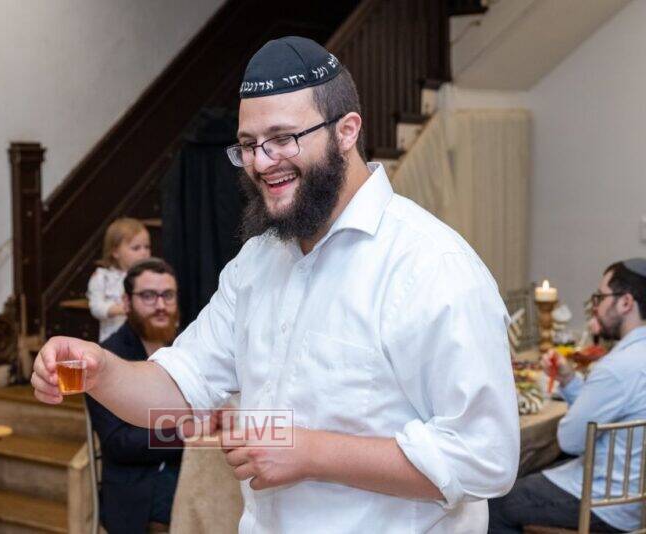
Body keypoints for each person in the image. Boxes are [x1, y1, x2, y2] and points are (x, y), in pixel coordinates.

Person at [32, 36, 519, 533]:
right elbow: (180, 387)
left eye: (283, 138)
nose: (262, 163)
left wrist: (310, 453)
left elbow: (485, 458)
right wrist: (101, 370)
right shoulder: (258, 262)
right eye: (248, 146)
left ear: (347, 131)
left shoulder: (430, 265)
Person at [489, 259, 646, 533]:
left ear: (625, 303)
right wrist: (570, 381)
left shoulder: (617, 368)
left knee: (493, 501)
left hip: (604, 505)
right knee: (535, 471)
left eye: (600, 297)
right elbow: (600, 413)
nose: (596, 306)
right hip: (636, 499)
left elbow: (569, 440)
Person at [85, 258, 184, 533]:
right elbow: (120, 442)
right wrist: (186, 433)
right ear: (126, 303)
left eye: (168, 295)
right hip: (138, 487)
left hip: (189, 471)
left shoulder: (188, 346)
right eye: (148, 296)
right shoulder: (105, 359)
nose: (161, 305)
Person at [87, 218, 152, 342]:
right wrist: (122, 309)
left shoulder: (148, 276)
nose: (144, 253)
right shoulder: (102, 277)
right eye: (136, 248)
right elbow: (96, 307)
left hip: (143, 339)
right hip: (112, 340)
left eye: (147, 247)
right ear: (115, 252)